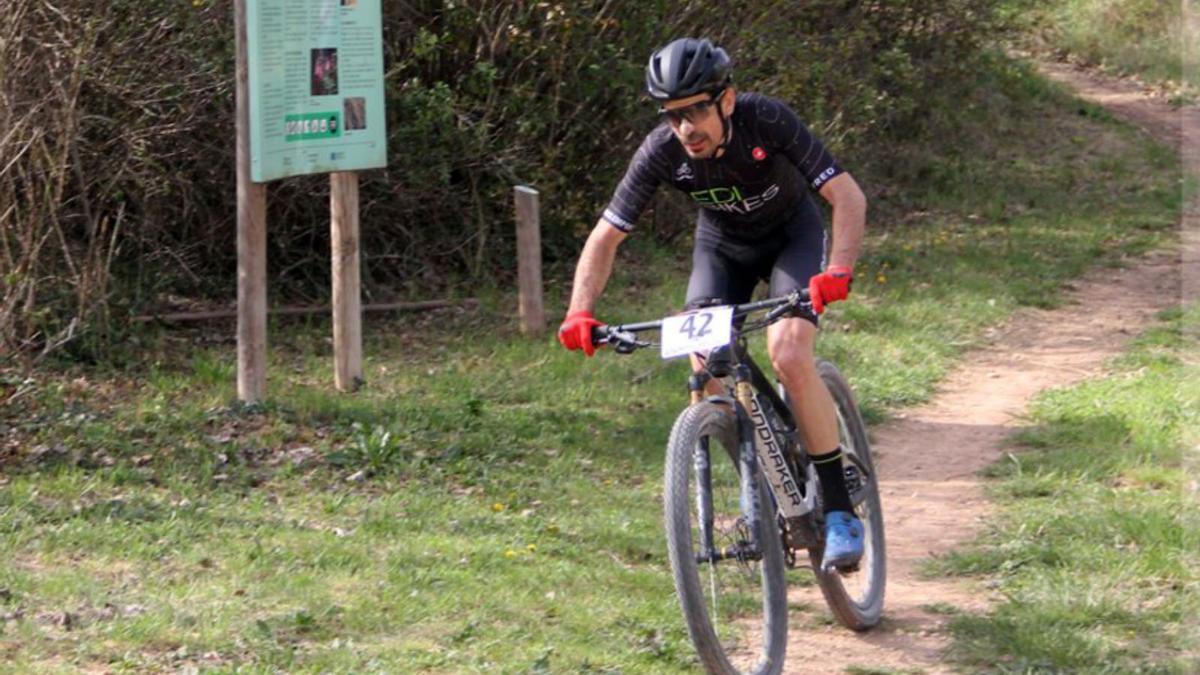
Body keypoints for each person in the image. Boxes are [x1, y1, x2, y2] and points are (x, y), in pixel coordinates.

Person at [557, 37, 868, 569]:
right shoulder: (661, 151)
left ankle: (839, 506)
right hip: (723, 247)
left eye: (697, 110)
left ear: (726, 100)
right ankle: (755, 481)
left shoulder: (767, 120)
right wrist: (578, 310)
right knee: (704, 361)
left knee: (790, 353)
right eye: (673, 115)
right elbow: (606, 236)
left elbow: (847, 195)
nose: (686, 129)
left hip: (792, 235)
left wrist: (838, 268)